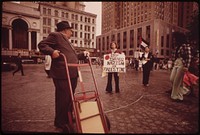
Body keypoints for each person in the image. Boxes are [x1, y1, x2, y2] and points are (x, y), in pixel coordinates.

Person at [38, 21, 89, 132]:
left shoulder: (68, 42)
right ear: (65, 30)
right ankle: (60, 121)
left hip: (72, 73)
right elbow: (42, 45)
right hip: (62, 73)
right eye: (71, 30)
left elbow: (73, 56)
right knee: (63, 98)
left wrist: (83, 54)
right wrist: (51, 52)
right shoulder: (55, 35)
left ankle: (68, 117)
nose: (72, 32)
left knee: (70, 97)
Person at [169, 32, 192, 101]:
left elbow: (189, 56)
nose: (174, 40)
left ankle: (176, 96)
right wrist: (173, 64)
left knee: (177, 81)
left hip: (182, 63)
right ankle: (184, 90)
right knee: (172, 79)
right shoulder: (176, 46)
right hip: (176, 63)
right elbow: (174, 56)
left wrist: (186, 66)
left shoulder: (185, 46)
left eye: (175, 38)